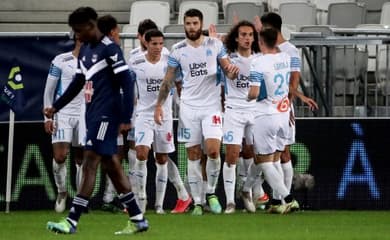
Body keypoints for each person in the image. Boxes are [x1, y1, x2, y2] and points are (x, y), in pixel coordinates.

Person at [44, 7, 148, 235]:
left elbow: (127, 83)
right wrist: (56, 107)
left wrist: (126, 117)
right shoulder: (85, 50)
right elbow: (78, 82)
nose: (76, 36)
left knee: (90, 161)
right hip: (92, 114)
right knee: (111, 165)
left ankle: (72, 221)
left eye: (79, 31)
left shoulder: (110, 49)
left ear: (91, 26)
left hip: (106, 115)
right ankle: (138, 218)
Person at [154, 8, 239, 215]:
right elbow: (168, 79)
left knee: (212, 150)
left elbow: (227, 67)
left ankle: (210, 192)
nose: (191, 27)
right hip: (189, 108)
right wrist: (158, 105)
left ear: (201, 24)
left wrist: (231, 72)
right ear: (184, 25)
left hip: (211, 107)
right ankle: (198, 202)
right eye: (188, 23)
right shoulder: (177, 50)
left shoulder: (215, 44)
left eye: (195, 23)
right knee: (192, 155)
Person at [129, 18, 191, 214]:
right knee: (140, 154)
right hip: (143, 115)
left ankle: (159, 205)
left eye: (160, 43)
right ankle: (141, 201)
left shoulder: (170, 61)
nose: (157, 47)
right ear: (145, 42)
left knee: (162, 158)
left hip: (164, 115)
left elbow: (179, 85)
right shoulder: (135, 61)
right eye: (154, 43)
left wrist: (184, 108)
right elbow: (128, 88)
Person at [257, 13, 318, 208]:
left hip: (282, 110)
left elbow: (293, 80)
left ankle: (282, 198)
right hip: (269, 110)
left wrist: (288, 106)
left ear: (271, 28)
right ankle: (278, 199)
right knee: (272, 154)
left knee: (283, 153)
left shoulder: (290, 51)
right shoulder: (267, 50)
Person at [242, 27, 299, 214]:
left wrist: (247, 98)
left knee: (266, 162)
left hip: (265, 115)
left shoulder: (258, 62)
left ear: (259, 42)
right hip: (283, 114)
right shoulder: (285, 57)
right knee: (268, 159)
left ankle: (288, 199)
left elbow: (254, 92)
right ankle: (246, 190)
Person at [220, 20, 270, 214]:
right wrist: (230, 73)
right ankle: (230, 202)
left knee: (258, 155)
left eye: (250, 35)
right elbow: (229, 74)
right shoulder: (229, 58)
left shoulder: (259, 58)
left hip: (255, 111)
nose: (247, 38)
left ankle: (247, 189)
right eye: (243, 34)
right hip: (234, 110)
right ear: (236, 37)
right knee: (232, 155)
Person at [43, 35, 84, 213]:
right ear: (76, 38)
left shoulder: (97, 62)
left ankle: (80, 200)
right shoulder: (61, 60)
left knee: (82, 159)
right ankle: (62, 192)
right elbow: (49, 90)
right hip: (63, 113)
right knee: (60, 156)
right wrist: (48, 117)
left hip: (85, 113)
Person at [97, 14, 128, 212]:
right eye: (117, 31)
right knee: (97, 158)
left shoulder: (97, 51)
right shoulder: (110, 51)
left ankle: (112, 199)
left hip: (107, 113)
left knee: (115, 156)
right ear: (113, 31)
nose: (119, 35)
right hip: (103, 115)